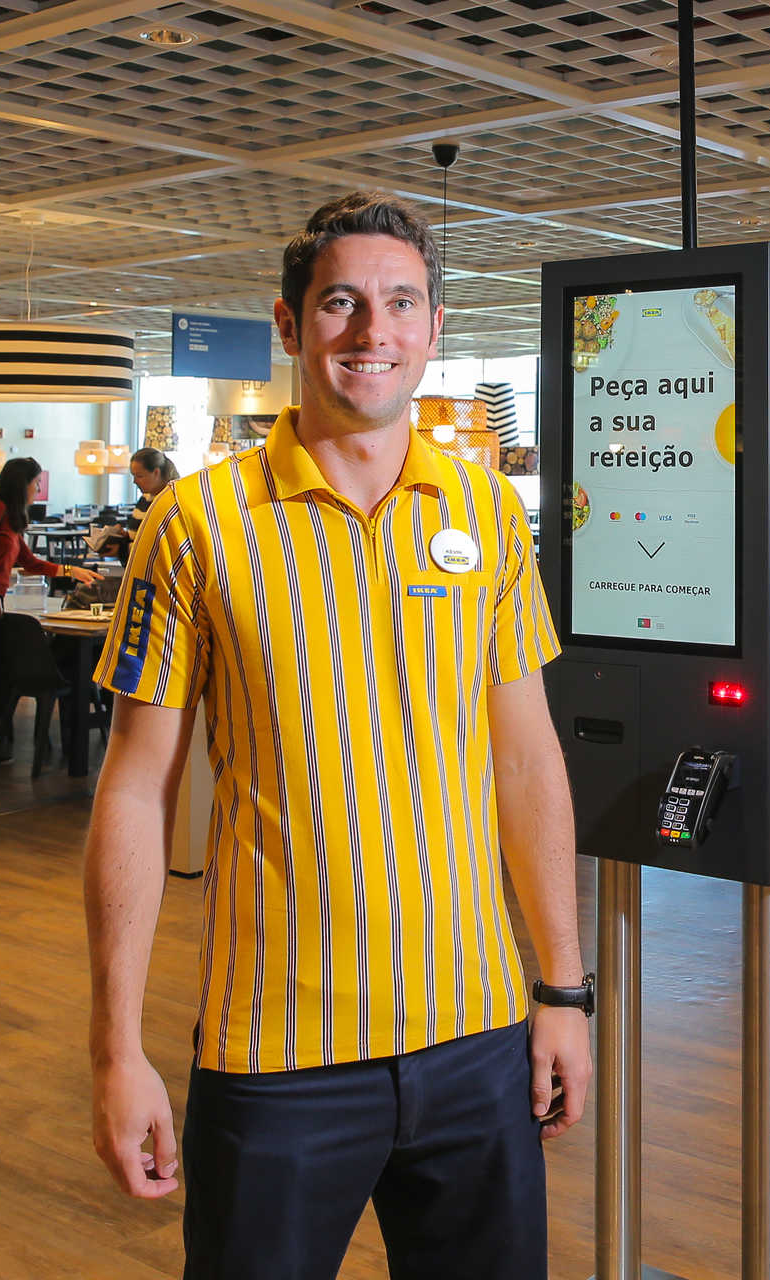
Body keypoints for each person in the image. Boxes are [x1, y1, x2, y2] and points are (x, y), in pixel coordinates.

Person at [85, 190, 590, 1280]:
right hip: (275, 1058)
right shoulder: (197, 525)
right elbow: (132, 791)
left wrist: (562, 988)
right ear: (289, 322)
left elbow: (526, 758)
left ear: (435, 329)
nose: (374, 333)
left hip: (478, 1036)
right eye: (343, 304)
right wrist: (116, 1048)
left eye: (401, 303)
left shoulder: (489, 509)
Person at [0, 457, 99, 778]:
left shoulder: (10, 518)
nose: (38, 489)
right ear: (22, 483)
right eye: (35, 483)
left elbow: (28, 561)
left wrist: (71, 570)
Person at [125, 448, 178, 540]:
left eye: (139, 476)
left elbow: (155, 544)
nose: (135, 481)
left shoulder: (170, 501)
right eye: (133, 476)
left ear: (156, 472)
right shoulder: (145, 498)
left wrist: (122, 549)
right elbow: (135, 536)